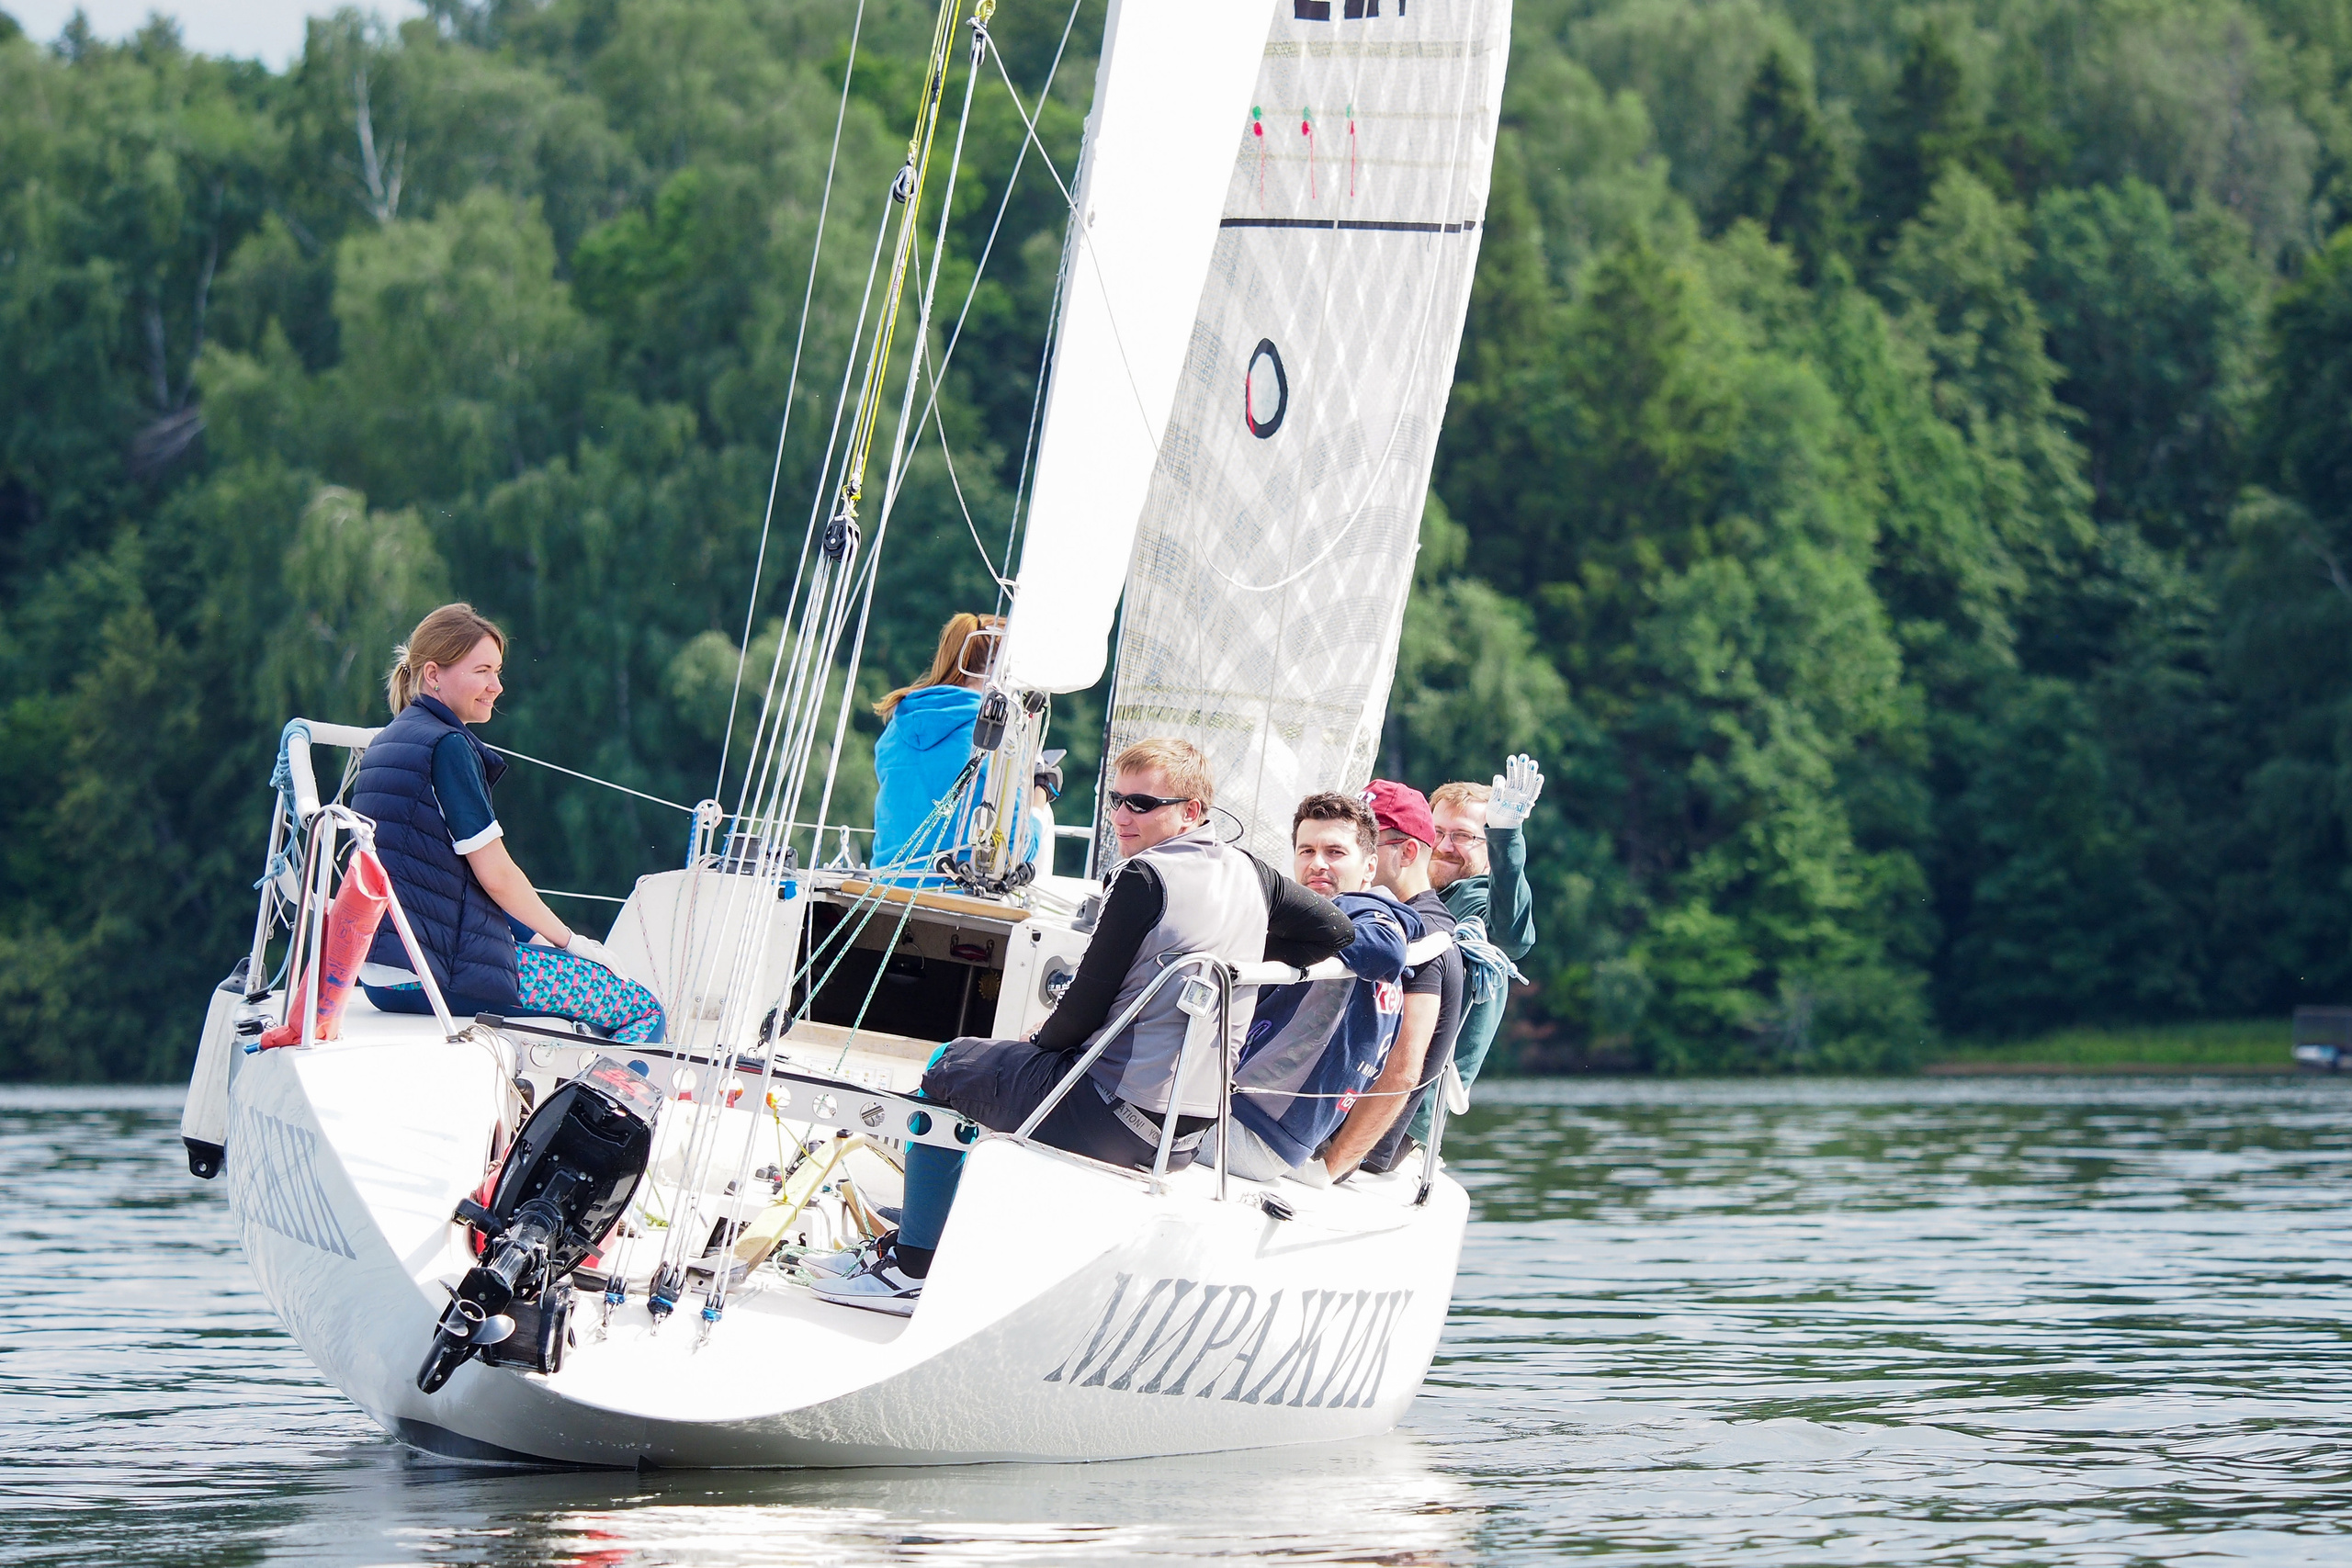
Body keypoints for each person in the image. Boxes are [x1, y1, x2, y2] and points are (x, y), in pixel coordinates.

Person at [812, 738, 1354, 1314]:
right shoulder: (1254, 874)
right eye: (1117, 800)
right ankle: (927, 1239)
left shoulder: (1144, 878)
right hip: (1186, 1132)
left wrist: (1032, 1044)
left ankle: (913, 1267)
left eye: (1143, 804)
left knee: (949, 1067)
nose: (1123, 815)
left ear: (1192, 811)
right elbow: (1335, 932)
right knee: (997, 1071)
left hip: (1108, 1114)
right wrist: (1240, 946)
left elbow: (1082, 1010)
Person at [352, 604, 665, 1043]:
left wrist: (534, 938)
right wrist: (570, 942)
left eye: (497, 672)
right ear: (433, 674)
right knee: (641, 1008)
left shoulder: (388, 741)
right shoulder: (448, 746)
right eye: (482, 671)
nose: (496, 686)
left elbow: (445, 881)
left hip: (382, 973)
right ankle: (594, 1111)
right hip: (431, 972)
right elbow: (495, 875)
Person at [1207, 793, 1423, 1183]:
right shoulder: (1336, 914)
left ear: (1369, 866)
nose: (1317, 863)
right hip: (1239, 1116)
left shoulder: (1371, 913)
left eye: (1335, 852)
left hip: (1252, 1131)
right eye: (1306, 850)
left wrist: (1280, 932)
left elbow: (1385, 950)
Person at [1322, 781, 1464, 1179]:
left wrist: (1329, 1171)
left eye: (1369, 840)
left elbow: (1401, 1071)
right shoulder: (1380, 921)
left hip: (1349, 1154)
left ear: (1409, 851)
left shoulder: (1424, 939)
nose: (1353, 853)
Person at [1408, 754, 1543, 1145]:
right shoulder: (1409, 897)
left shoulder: (1478, 900)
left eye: (1463, 836)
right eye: (1437, 832)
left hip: (1409, 1111)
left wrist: (1507, 835)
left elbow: (1510, 939)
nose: (1445, 846)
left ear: (1488, 849)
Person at [870, 612, 1037, 881]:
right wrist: (1038, 798)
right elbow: (1018, 849)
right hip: (952, 891)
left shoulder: (896, 726)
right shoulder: (998, 736)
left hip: (884, 884)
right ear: (1002, 669)